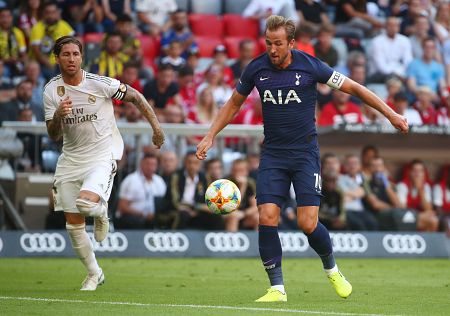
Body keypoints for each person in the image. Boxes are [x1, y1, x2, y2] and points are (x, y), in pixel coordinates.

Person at [196, 15, 408, 302]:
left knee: (308, 223)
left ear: (292, 43)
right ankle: (277, 288)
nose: (272, 49)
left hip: (305, 154)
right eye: (269, 43)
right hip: (272, 154)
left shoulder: (310, 65)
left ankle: (332, 269)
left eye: (279, 44)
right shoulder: (256, 68)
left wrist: (391, 114)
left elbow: (355, 88)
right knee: (267, 215)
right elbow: (234, 103)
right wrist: (210, 135)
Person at [44, 36, 164, 291]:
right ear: (57, 58)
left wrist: (156, 128)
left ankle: (100, 211)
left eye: (76, 54)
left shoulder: (100, 84)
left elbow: (137, 97)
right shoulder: (51, 91)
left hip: (102, 154)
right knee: (73, 223)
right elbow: (53, 134)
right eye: (66, 54)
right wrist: (57, 116)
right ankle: (94, 273)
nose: (71, 59)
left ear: (82, 57)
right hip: (70, 158)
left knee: (86, 203)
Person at [115, 153, 166, 229]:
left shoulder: (160, 181)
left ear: (157, 166)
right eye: (147, 164)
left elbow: (162, 203)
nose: (150, 167)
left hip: (153, 217)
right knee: (137, 221)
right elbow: (122, 207)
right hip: (132, 217)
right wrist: (143, 214)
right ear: (141, 164)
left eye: (153, 164)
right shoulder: (131, 180)